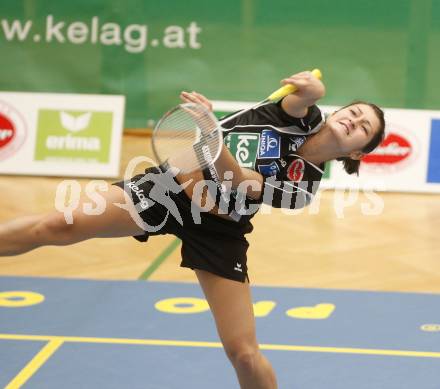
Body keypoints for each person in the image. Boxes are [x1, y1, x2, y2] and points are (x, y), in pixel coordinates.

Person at [0, 71, 385, 389]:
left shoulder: (302, 190)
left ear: (357, 153)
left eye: (362, 126)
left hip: (218, 230)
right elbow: (302, 97)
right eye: (352, 112)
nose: (353, 120)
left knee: (245, 353)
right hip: (168, 190)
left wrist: (211, 135)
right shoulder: (300, 116)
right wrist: (315, 89)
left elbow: (236, 180)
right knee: (57, 224)